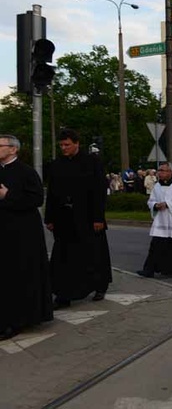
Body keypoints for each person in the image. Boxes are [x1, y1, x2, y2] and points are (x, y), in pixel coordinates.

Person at [46, 128, 112, 308]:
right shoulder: (56, 164)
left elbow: (99, 191)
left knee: (94, 253)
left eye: (67, 144)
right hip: (64, 218)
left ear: (76, 143)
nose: (64, 148)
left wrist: (99, 217)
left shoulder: (92, 162)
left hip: (88, 217)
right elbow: (51, 192)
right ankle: (63, 294)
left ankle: (99, 285)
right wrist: (49, 217)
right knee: (64, 256)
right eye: (61, 145)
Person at [0, 135, 52, 340]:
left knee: (19, 276)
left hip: (22, 235)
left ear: (13, 150)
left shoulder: (26, 172)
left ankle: (18, 320)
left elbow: (36, 199)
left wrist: (8, 196)